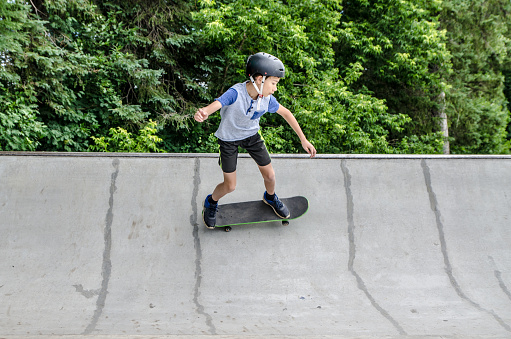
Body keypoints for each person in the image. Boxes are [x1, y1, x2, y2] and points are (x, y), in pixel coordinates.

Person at [194, 52, 316, 229]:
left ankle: (270, 197)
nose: (274, 89)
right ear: (259, 79)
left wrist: (303, 140)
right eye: (273, 83)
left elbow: (287, 113)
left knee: (270, 175)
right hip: (228, 140)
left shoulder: (267, 99)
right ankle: (211, 202)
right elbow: (217, 104)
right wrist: (204, 112)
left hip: (251, 136)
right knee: (230, 186)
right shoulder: (236, 93)